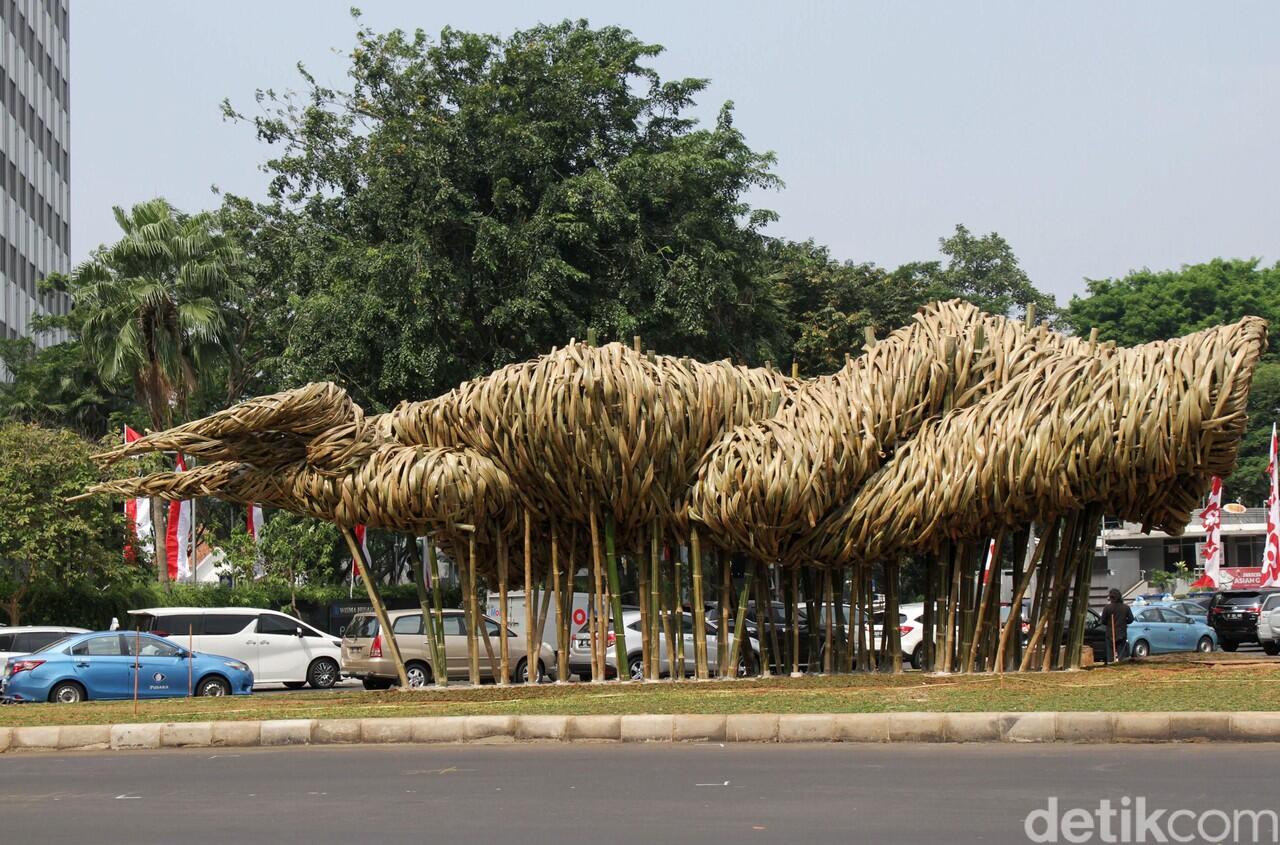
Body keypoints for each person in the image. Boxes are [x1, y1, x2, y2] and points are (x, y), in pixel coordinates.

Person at [1099, 588, 1133, 664]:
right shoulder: (1126, 607)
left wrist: (1109, 623)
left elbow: (1103, 621)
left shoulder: (1107, 608)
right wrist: (1124, 622)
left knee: (1110, 652)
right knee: (1122, 652)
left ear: (1111, 597)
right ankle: (1121, 662)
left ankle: (1111, 662)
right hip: (1122, 632)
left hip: (1110, 633)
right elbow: (1131, 619)